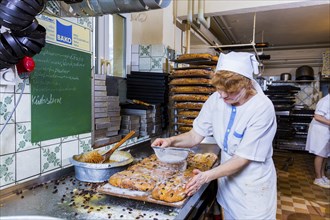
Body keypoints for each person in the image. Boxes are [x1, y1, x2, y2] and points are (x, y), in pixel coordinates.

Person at [152, 52, 277, 219]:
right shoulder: (216, 99)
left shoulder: (261, 108)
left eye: (231, 92)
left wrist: (206, 176)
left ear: (247, 85)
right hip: (227, 182)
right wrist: (170, 141)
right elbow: (195, 135)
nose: (223, 96)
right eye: (220, 90)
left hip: (253, 187)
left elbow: (242, 159)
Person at [305, 88, 330, 188]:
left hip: (325, 130)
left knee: (325, 154)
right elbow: (317, 116)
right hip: (320, 130)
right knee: (320, 154)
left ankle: (323, 175)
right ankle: (318, 178)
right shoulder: (326, 101)